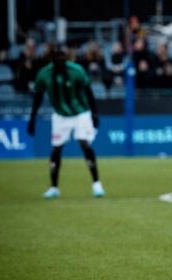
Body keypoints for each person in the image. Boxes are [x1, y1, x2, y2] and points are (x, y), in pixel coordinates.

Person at [27, 44, 104, 199]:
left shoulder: (76, 71)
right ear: (52, 57)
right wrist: (32, 119)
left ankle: (96, 183)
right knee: (56, 149)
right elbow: (38, 96)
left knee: (84, 142)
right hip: (60, 115)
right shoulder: (44, 74)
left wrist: (95, 115)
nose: (60, 58)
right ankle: (54, 187)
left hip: (80, 113)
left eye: (62, 55)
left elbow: (89, 93)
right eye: (57, 55)